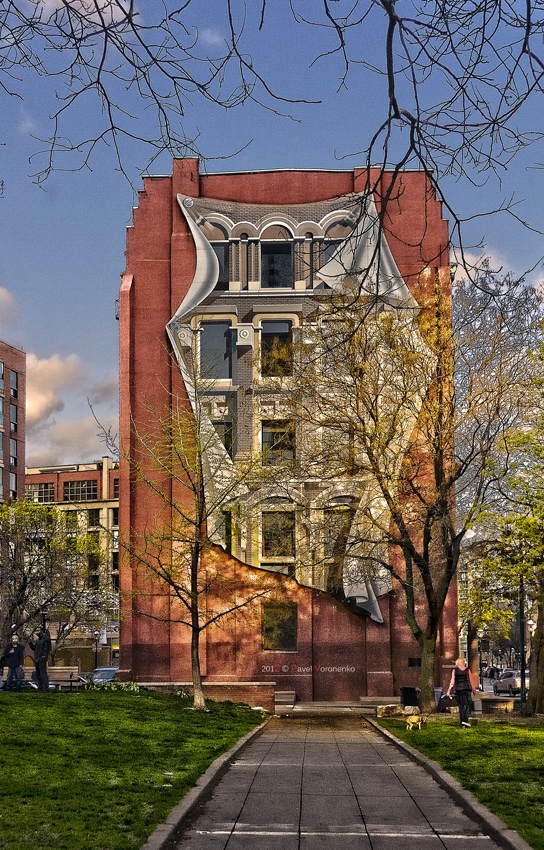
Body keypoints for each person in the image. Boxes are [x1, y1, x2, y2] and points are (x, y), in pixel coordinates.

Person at [446, 656, 477, 727]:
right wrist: (474, 690)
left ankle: (463, 721)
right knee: (468, 704)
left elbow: (452, 682)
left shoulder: (455, 671)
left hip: (459, 690)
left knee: (462, 706)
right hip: (467, 689)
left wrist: (449, 691)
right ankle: (468, 719)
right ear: (463, 663)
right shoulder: (468, 670)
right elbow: (471, 681)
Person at [30, 626, 51, 692]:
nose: (36, 633)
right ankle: (41, 688)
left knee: (43, 674)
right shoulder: (38, 640)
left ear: (41, 631)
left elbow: (46, 650)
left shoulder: (46, 639)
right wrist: (30, 643)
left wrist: (43, 658)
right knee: (38, 675)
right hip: (37, 659)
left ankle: (45, 688)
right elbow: (34, 649)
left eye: (38, 631)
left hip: (41, 660)